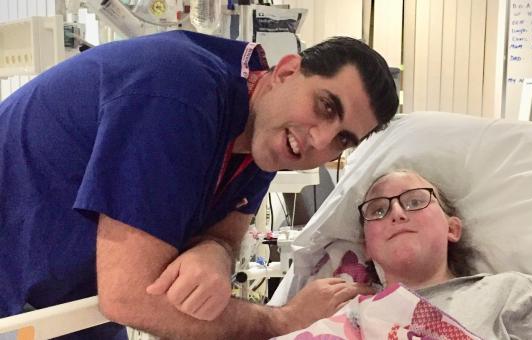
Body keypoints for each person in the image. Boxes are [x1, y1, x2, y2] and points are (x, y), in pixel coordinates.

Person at [0, 30, 398, 339]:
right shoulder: (178, 94)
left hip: (67, 300)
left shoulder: (263, 139)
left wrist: (215, 252)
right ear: (287, 71)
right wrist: (282, 322)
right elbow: (130, 298)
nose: (319, 139)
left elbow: (225, 235)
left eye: (344, 139)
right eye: (325, 106)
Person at [350, 169, 532, 339]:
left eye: (414, 201)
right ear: (367, 248)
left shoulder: (520, 294)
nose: (396, 212)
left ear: (452, 228)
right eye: (378, 210)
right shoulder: (346, 313)